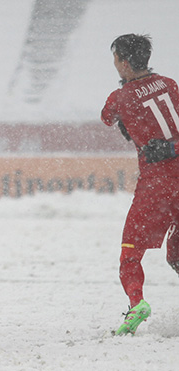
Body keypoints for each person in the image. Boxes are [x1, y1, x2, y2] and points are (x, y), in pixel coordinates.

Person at [101, 33, 179, 335]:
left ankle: (137, 302)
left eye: (116, 60)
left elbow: (107, 117)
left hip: (157, 184)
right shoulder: (171, 85)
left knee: (130, 251)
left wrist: (125, 116)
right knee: (175, 253)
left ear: (123, 61)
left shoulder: (120, 97)